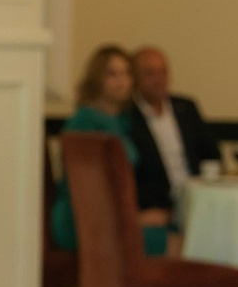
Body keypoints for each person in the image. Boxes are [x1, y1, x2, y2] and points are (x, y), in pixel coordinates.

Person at [52, 44, 171, 258]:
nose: (121, 81)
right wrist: (138, 219)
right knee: (173, 241)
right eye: (112, 74)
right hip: (83, 221)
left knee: (178, 230)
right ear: (97, 79)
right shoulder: (84, 123)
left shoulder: (122, 122)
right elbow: (89, 191)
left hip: (114, 218)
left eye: (126, 73)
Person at [124, 45, 219, 220]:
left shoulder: (186, 108)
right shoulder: (127, 116)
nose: (159, 79)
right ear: (134, 78)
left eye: (163, 71)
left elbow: (212, 155)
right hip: (155, 207)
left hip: (197, 198)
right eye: (150, 73)